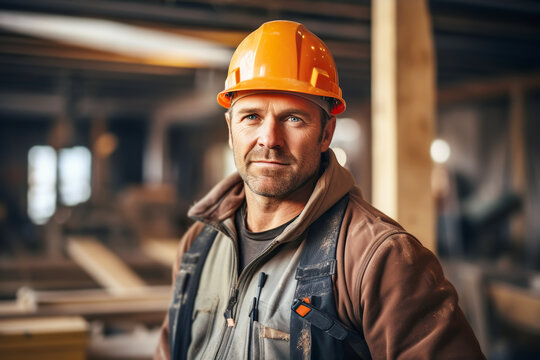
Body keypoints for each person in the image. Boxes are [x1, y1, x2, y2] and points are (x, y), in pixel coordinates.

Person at [154, 20, 485, 360]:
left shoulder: (379, 260)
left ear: (326, 133)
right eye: (251, 117)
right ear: (230, 129)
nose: (269, 139)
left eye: (293, 118)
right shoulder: (199, 245)